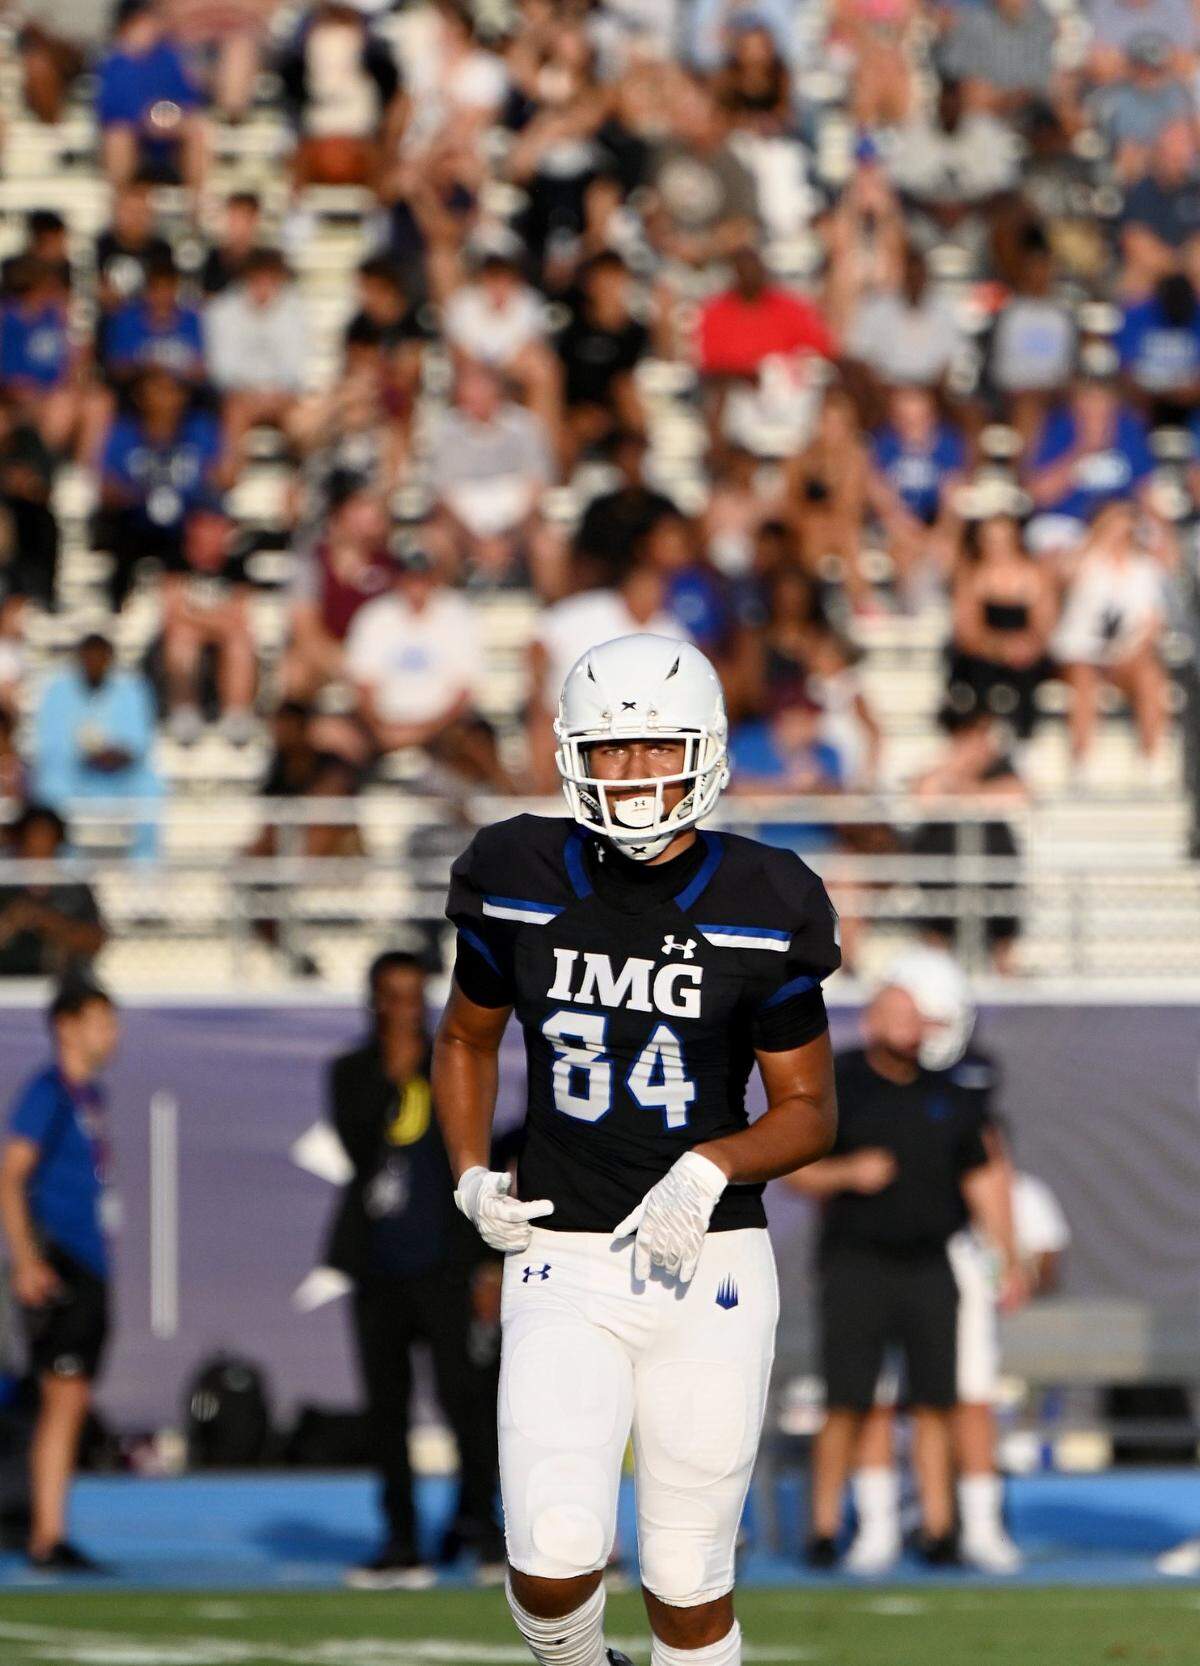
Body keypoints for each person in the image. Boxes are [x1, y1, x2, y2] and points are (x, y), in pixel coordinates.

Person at [435, 633, 841, 1666]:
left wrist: (711, 1165)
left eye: (655, 745)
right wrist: (470, 1169)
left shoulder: (766, 898)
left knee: (687, 1573)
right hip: (561, 1247)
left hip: (706, 1259)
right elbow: (466, 1035)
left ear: (701, 747)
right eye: (609, 751)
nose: (632, 774)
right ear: (573, 753)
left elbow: (808, 1109)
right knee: (552, 1546)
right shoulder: (514, 872)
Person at [792, 980, 1024, 1568]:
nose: (906, 1024)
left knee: (935, 1400)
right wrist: (848, 1173)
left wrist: (1008, 1256)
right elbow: (796, 1170)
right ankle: (840, 1530)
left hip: (929, 1261)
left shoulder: (951, 1092)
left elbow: (983, 1179)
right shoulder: (841, 1082)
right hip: (857, 1260)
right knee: (852, 1399)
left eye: (914, 1014)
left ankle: (940, 1529)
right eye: (894, 1012)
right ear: (871, 1020)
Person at [327, 952, 504, 1588]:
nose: (405, 1008)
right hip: (378, 1269)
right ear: (373, 1002)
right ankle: (402, 1541)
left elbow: (480, 1159)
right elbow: (355, 1149)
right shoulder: (350, 1072)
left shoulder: (456, 1063)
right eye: (392, 996)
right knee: (387, 1411)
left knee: (467, 1402)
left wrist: (488, 1265)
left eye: (414, 995)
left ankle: (479, 1530)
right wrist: (392, 1081)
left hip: (446, 1266)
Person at [0, 979, 119, 1571]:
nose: (111, 1034)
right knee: (60, 1396)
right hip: (62, 1263)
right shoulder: (47, 1092)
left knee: (71, 1398)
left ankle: (51, 1527)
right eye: (101, 1020)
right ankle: (46, 1533)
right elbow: (11, 1173)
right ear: (67, 1025)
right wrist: (26, 1258)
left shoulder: (86, 1096)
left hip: (87, 1262)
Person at [33, 633, 162, 861]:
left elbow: (139, 743)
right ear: (79, 660)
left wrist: (113, 755)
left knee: (151, 787)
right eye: (88, 658)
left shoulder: (132, 688)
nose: (94, 664)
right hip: (76, 776)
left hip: (121, 778)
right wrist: (85, 755)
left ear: (109, 659)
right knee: (48, 786)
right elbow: (50, 745)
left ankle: (144, 866)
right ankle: (65, 865)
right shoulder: (58, 690)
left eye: (99, 658)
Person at [0, 807, 107, 981]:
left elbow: (95, 941)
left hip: (62, 987)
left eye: (46, 839)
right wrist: (10, 921)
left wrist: (49, 922)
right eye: (31, 839)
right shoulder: (4, 886)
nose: (38, 847)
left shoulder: (73, 889)